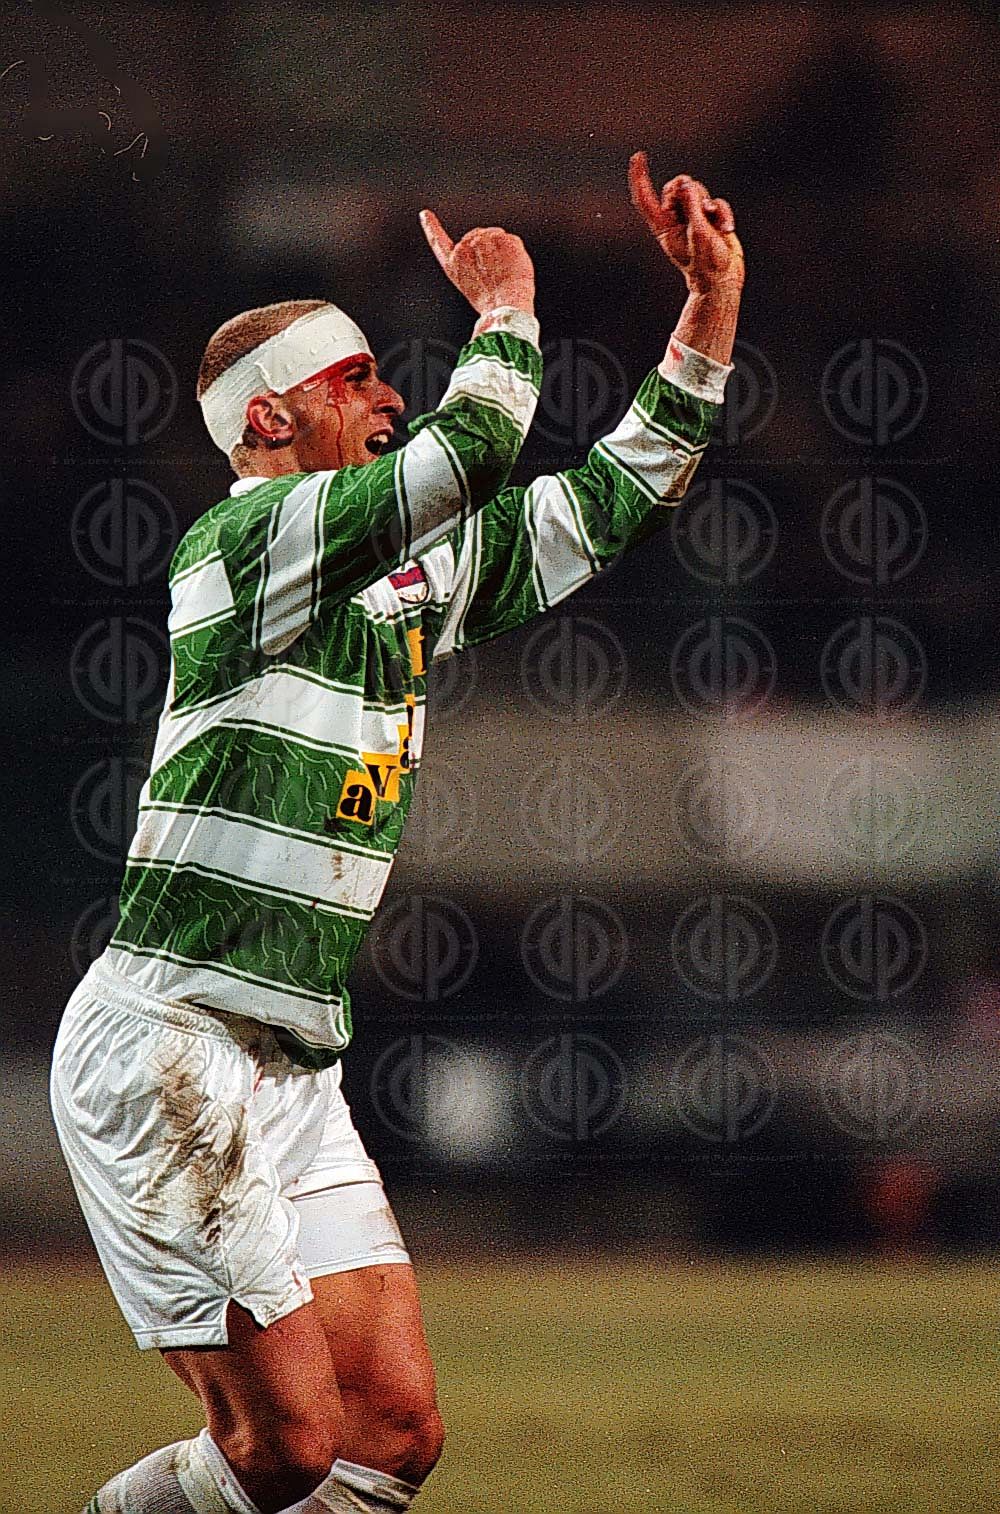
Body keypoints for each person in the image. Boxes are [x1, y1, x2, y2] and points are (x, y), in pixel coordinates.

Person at [51, 153, 744, 1514]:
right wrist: (505, 305)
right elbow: (474, 445)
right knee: (287, 1446)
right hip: (171, 1047)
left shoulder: (401, 578)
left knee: (393, 1432)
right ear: (269, 416)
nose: (388, 397)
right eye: (356, 377)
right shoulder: (242, 547)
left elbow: (617, 496)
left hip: (290, 1064)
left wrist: (709, 304)